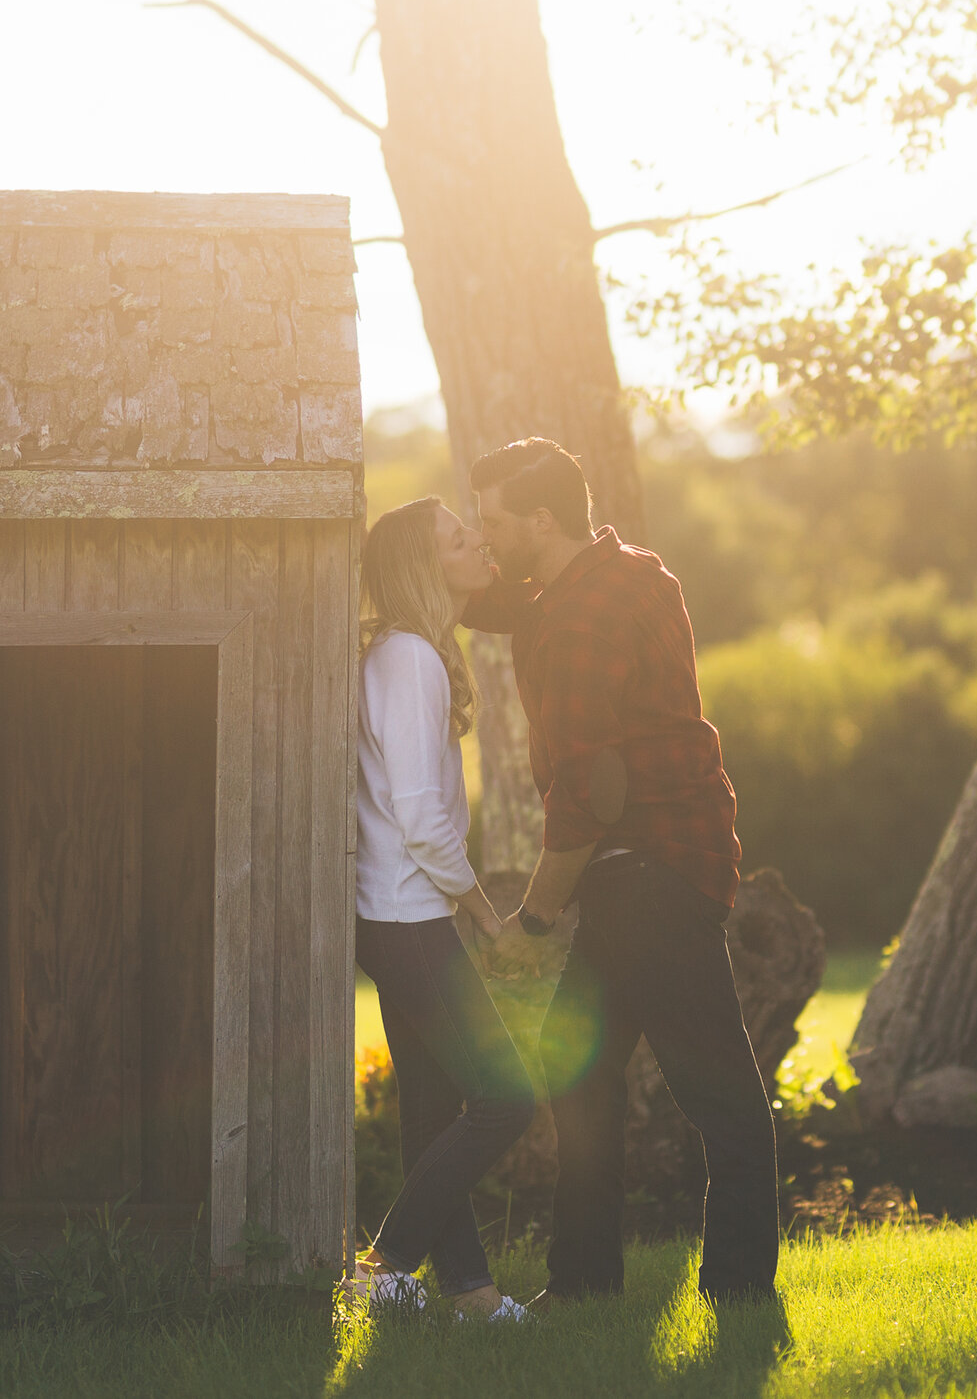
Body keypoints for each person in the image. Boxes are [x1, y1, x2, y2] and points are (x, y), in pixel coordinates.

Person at [467, 438, 778, 1307]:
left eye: (493, 522)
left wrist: (531, 919)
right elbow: (506, 600)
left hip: (648, 875)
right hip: (658, 870)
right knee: (583, 1079)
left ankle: (742, 1293)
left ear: (542, 520)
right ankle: (583, 1285)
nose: (485, 538)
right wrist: (426, 576)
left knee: (718, 1096)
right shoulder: (629, 571)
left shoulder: (577, 622)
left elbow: (586, 796)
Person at [345, 495, 539, 1321]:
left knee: (431, 1110)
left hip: (396, 918)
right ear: (428, 567)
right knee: (508, 1096)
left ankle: (471, 1296)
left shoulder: (402, 654)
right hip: (409, 920)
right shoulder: (411, 660)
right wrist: (485, 908)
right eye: (462, 539)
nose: (480, 543)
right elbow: (422, 817)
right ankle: (382, 1265)